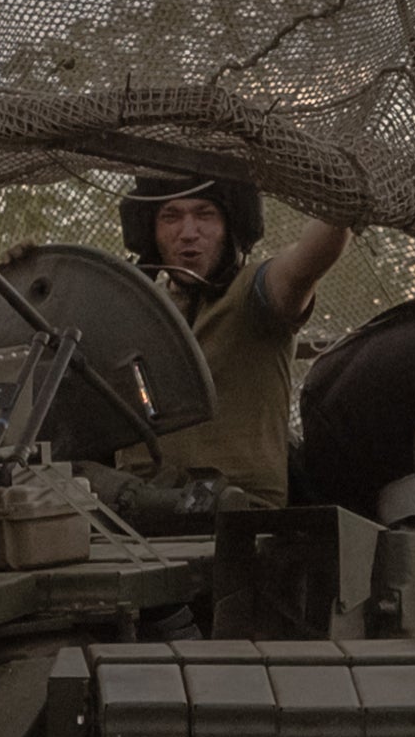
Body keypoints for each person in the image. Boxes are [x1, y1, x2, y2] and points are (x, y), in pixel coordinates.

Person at [126, 169, 354, 499]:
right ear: (150, 232)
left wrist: (341, 199)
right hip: (135, 515)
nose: (188, 232)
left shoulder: (251, 294)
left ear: (231, 226)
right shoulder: (133, 306)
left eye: (205, 215)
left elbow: (312, 256)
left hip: (242, 515)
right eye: (170, 217)